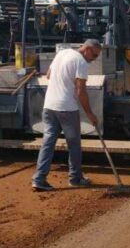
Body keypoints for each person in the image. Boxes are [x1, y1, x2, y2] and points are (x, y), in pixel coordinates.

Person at [32, 39, 102, 191]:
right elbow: (81, 91)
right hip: (67, 108)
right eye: (94, 55)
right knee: (74, 144)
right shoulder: (81, 62)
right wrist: (90, 114)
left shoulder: (62, 53)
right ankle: (75, 178)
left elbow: (49, 75)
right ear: (87, 49)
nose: (94, 59)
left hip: (49, 105)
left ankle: (39, 178)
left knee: (48, 142)